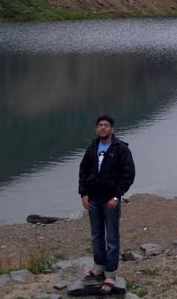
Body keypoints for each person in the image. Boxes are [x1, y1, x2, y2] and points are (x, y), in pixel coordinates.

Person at [78, 115, 135, 294]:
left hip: (110, 200)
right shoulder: (91, 148)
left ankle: (110, 274)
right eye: (100, 125)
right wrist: (83, 194)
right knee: (96, 235)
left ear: (113, 129)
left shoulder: (120, 149)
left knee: (112, 237)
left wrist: (117, 196)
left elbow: (128, 174)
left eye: (106, 125)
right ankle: (99, 268)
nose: (103, 128)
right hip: (93, 199)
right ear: (97, 129)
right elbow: (83, 171)